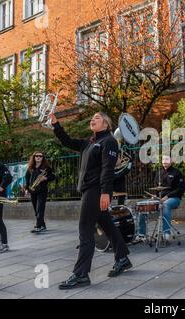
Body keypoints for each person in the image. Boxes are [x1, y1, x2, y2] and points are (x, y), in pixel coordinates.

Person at [49, 112, 133, 290]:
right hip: (90, 189)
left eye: (97, 118)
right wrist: (56, 125)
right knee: (107, 225)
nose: (92, 120)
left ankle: (81, 275)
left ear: (106, 124)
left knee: (85, 229)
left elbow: (107, 169)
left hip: (96, 191)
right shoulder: (90, 142)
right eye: (92, 118)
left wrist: (105, 193)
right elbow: (68, 141)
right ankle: (122, 258)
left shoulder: (108, 141)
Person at [137, 155, 185, 242]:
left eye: (167, 159)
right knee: (143, 206)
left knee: (165, 205)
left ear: (171, 160)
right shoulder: (159, 172)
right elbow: (156, 187)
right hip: (160, 198)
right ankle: (141, 234)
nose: (164, 161)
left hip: (174, 198)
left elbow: (181, 189)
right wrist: (153, 196)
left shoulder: (177, 172)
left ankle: (166, 233)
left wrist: (167, 197)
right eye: (163, 159)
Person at [25, 151, 55, 233]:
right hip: (32, 190)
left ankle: (38, 226)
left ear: (43, 158)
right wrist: (27, 189)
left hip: (42, 191)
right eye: (36, 156)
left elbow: (53, 176)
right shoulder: (30, 168)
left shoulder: (46, 167)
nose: (38, 157)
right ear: (34, 157)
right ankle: (43, 225)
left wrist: (45, 178)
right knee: (36, 209)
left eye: (40, 156)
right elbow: (27, 179)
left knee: (40, 209)